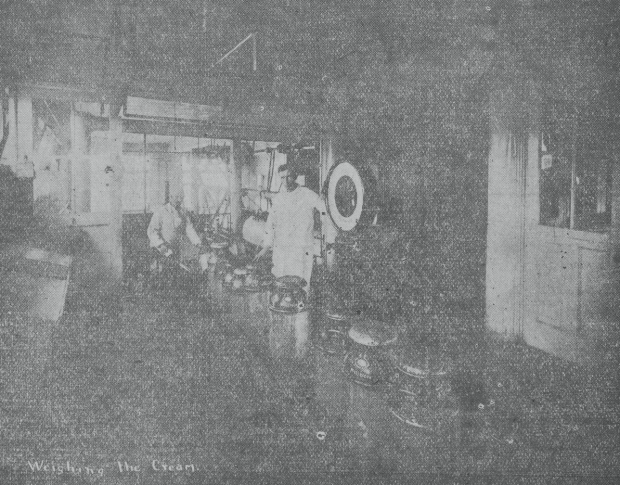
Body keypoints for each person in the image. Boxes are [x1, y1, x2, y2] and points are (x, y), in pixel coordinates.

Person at [254, 164, 328, 292]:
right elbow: (271, 224)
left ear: (295, 177)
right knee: (281, 287)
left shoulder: (307, 194)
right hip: (281, 251)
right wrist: (266, 247)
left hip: (300, 250)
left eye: (289, 177)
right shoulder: (278, 199)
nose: (285, 181)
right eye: (282, 178)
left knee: (300, 287)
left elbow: (325, 210)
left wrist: (326, 232)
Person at [147, 192, 202, 287]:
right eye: (177, 197)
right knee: (162, 275)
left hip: (175, 250)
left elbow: (189, 228)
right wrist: (161, 244)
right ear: (171, 197)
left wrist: (197, 242)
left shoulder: (183, 212)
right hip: (161, 249)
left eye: (181, 197)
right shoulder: (161, 211)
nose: (179, 200)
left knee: (175, 275)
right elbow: (152, 231)